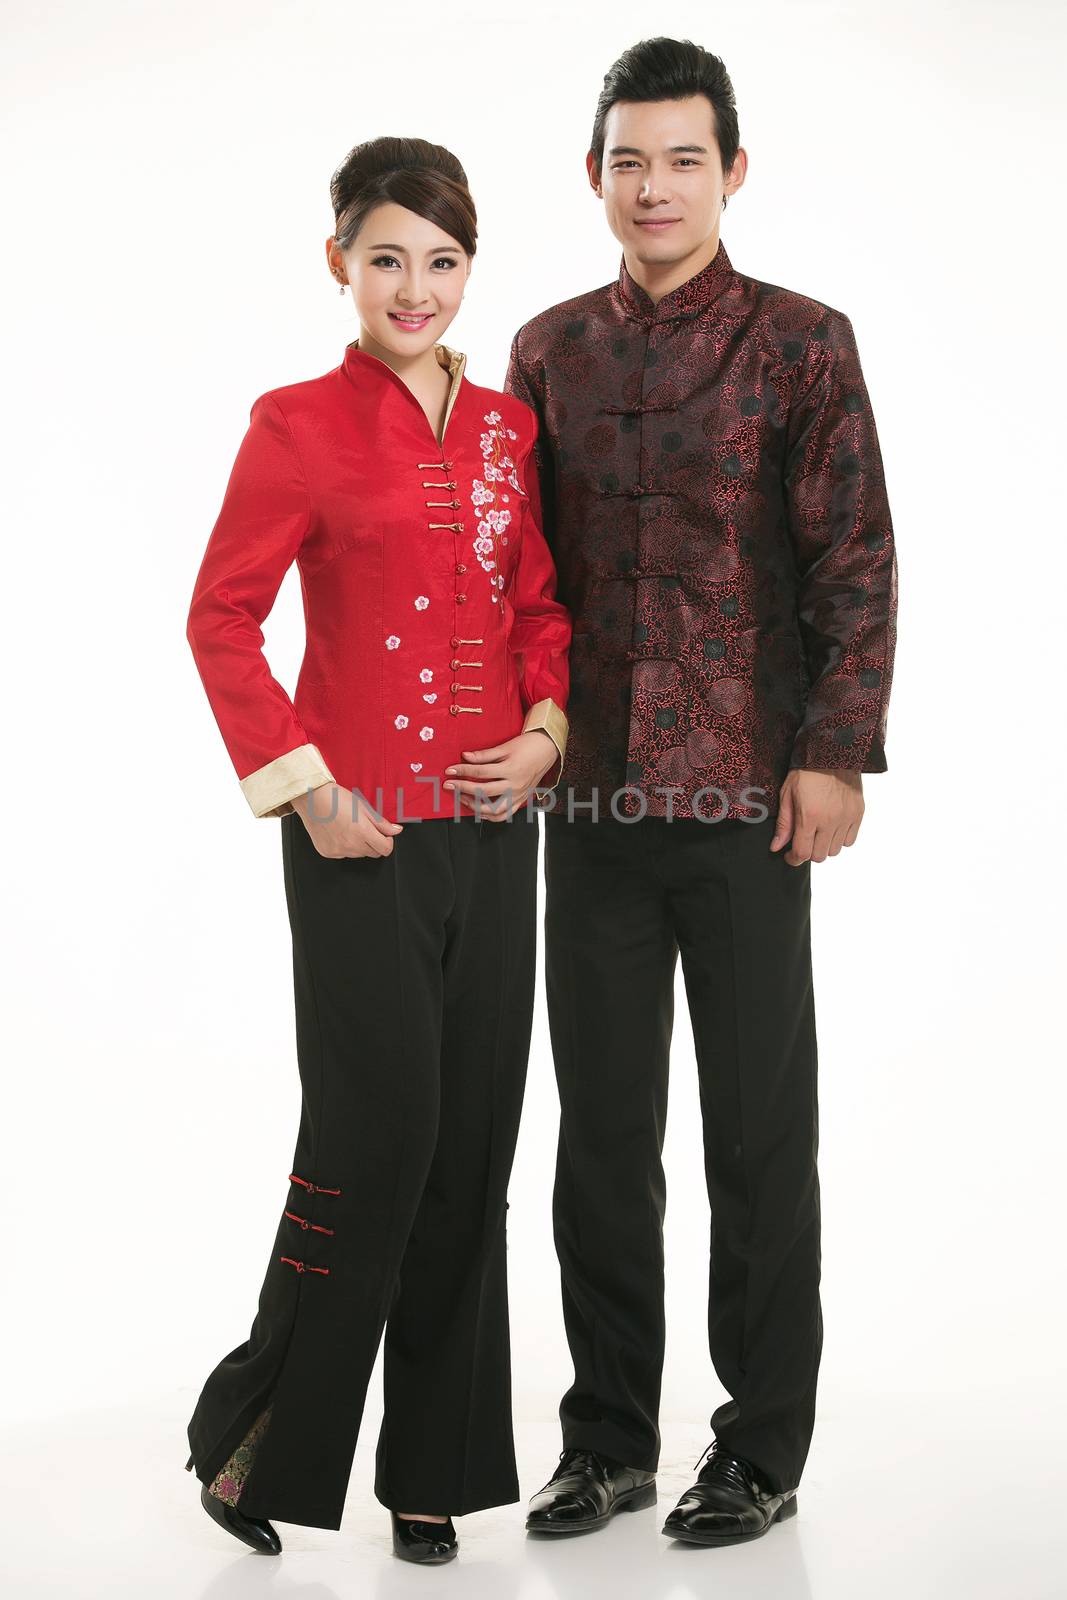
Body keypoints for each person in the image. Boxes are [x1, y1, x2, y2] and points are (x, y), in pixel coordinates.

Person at [503, 37, 898, 1547]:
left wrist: (835, 750)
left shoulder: (803, 343)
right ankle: (605, 1437)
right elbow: (520, 577)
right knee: (600, 1135)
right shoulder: (549, 353)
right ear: (594, 175)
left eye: (682, 158)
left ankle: (761, 1444)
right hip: (590, 803)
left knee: (753, 1131)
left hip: (750, 801)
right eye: (627, 159)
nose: (653, 185)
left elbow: (855, 557)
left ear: (733, 171)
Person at [182, 134, 571, 1567]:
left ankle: (436, 1474)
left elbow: (539, 603)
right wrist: (302, 786)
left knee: (472, 1141)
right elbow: (222, 616)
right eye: (389, 257)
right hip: (358, 841)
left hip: (495, 830)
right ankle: (254, 1439)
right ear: (338, 259)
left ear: (471, 269)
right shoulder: (294, 425)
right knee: (380, 1130)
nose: (417, 287)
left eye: (445, 261)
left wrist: (545, 729)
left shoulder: (509, 432)